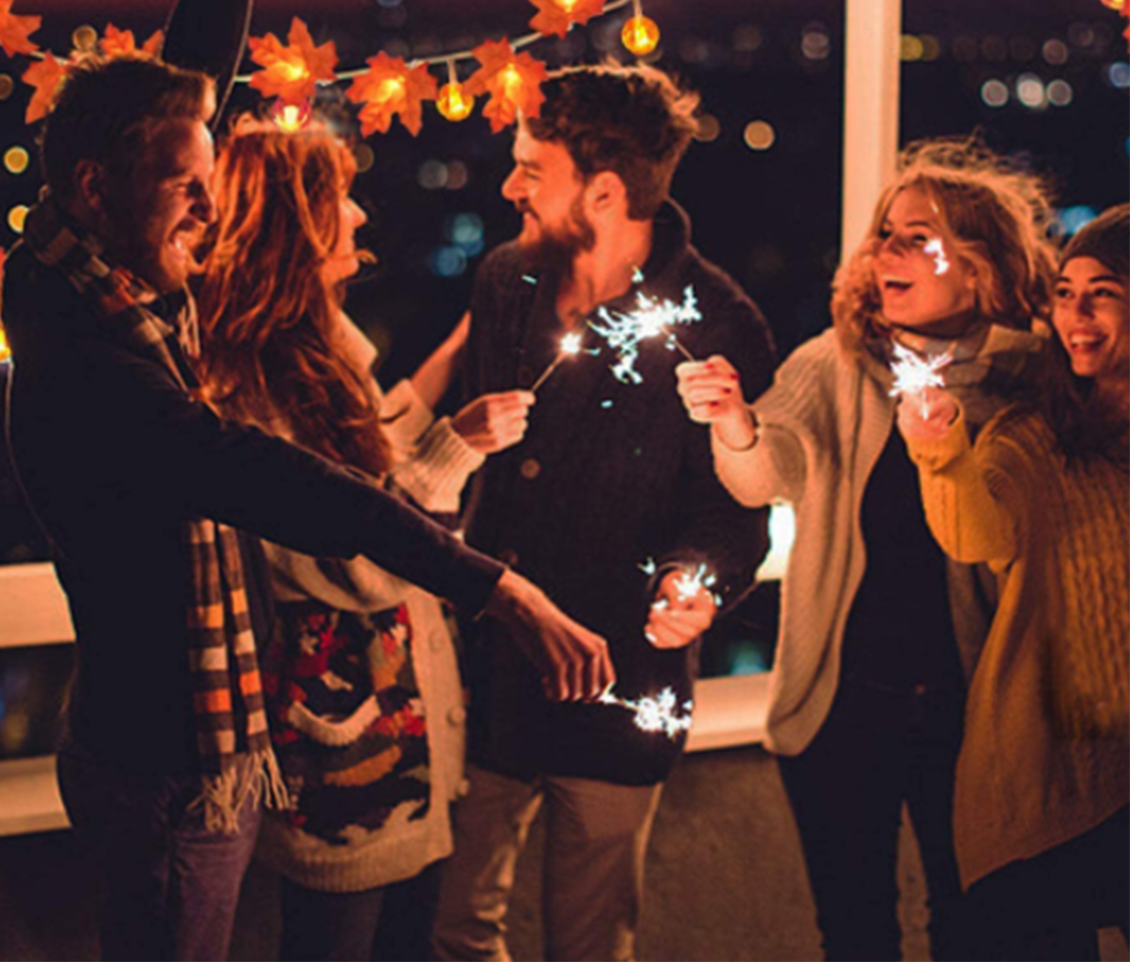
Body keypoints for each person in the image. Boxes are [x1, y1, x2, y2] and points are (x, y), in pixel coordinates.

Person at [0, 0, 612, 961]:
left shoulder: (95, 280)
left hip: (198, 755)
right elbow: (290, 485)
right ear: (94, 188)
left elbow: (190, 88)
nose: (209, 203)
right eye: (185, 186)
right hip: (167, 772)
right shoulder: (96, 362)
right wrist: (504, 589)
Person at [676, 138, 1056, 961]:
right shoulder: (838, 364)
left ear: (980, 263)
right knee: (854, 933)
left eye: (916, 236)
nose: (886, 251)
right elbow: (761, 476)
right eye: (884, 233)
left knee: (978, 928)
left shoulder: (1036, 380)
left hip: (977, 715)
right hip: (845, 708)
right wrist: (735, 424)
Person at [431, 63, 776, 962]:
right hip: (490, 684)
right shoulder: (505, 284)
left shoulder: (719, 324)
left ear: (606, 190)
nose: (508, 187)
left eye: (529, 170)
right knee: (453, 927)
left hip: (621, 691)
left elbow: (737, 511)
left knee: (589, 946)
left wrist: (697, 586)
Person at [198, 120, 528, 962]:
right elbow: (355, 558)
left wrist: (465, 348)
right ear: (296, 222)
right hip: (347, 745)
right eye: (338, 197)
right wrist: (457, 448)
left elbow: (371, 453)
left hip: (398, 737)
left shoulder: (323, 342)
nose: (358, 216)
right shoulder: (248, 380)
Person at [898, 204, 1130, 960]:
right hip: (1049, 780)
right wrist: (941, 452)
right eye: (1065, 293)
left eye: (1103, 293)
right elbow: (976, 531)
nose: (1076, 315)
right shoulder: (1035, 434)